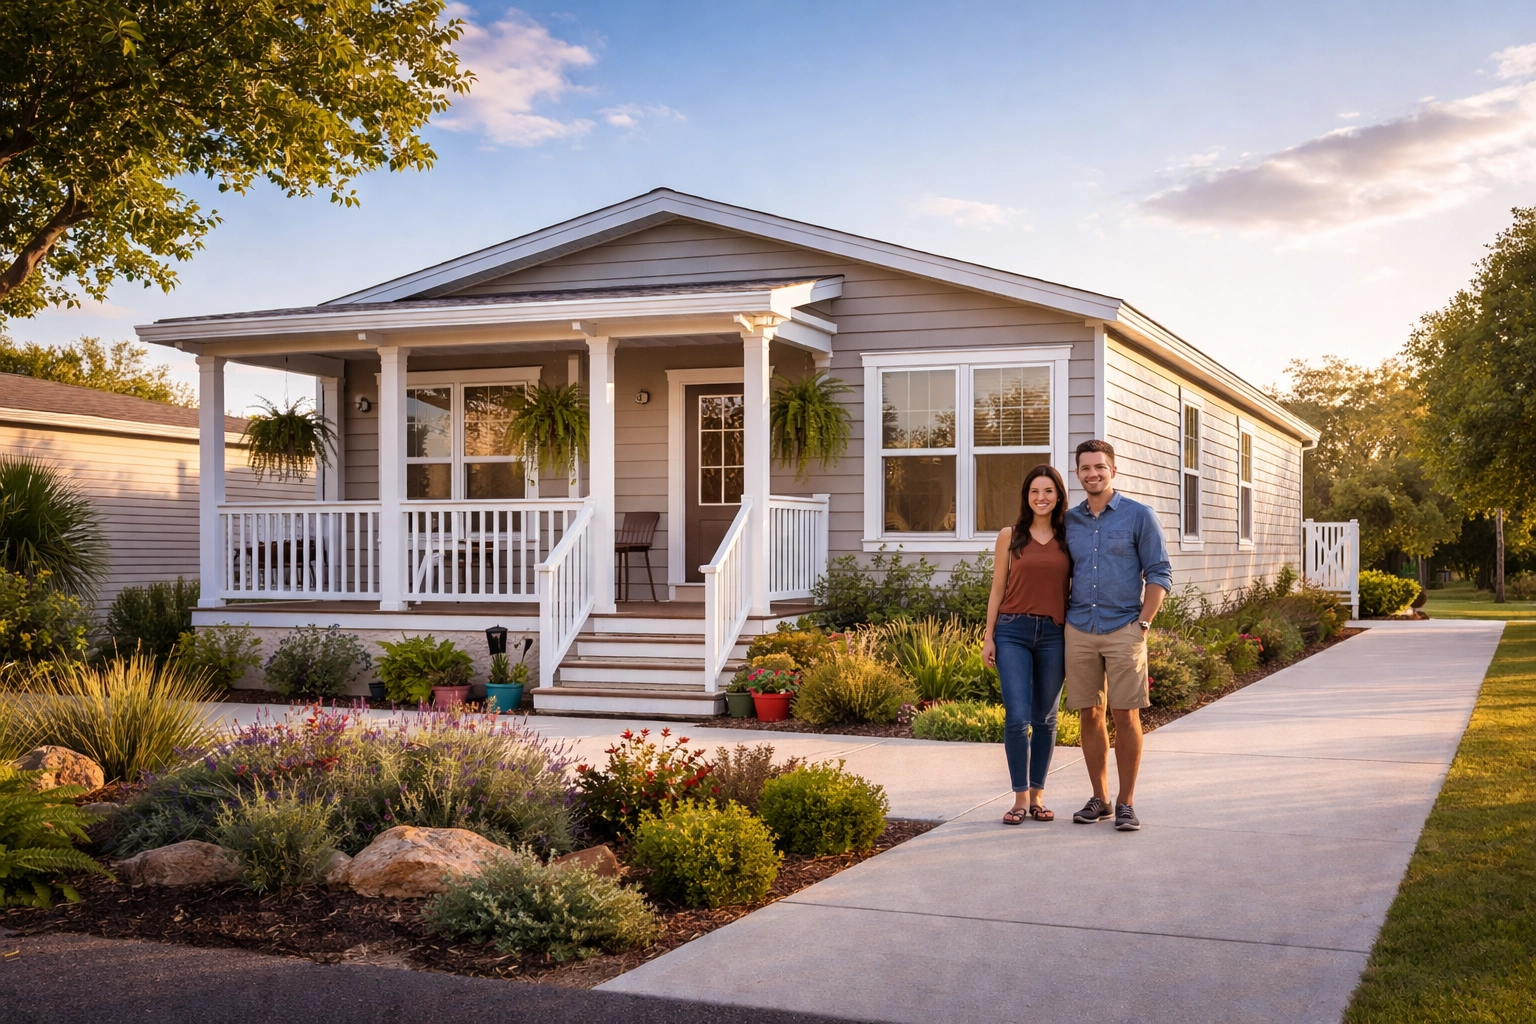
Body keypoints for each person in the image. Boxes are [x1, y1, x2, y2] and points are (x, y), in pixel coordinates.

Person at [1063, 439, 1171, 832]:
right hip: (1079, 628)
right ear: (1078, 473)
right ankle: (1100, 798)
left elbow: (1159, 572)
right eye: (1085, 468)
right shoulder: (1068, 522)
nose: (1092, 473)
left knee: (1126, 713)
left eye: (1099, 467)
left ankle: (1126, 802)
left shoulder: (1139, 516)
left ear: (1113, 470)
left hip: (1124, 627)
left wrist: (1143, 622)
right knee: (1089, 713)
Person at [982, 463, 1072, 825]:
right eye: (1035, 491)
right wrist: (988, 636)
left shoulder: (1069, 537)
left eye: (1048, 491)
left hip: (1054, 635)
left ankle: (1038, 796)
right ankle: (1020, 797)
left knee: (1046, 719)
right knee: (1018, 717)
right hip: (1012, 632)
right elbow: (997, 589)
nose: (1041, 497)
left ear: (1059, 496)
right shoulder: (1010, 536)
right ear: (1026, 496)